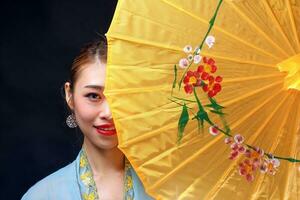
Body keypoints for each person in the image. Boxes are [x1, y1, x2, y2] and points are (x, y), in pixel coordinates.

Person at [21, 38, 153, 200]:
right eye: (93, 96)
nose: (108, 113)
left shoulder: (167, 190)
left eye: (120, 97)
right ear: (70, 95)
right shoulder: (43, 195)